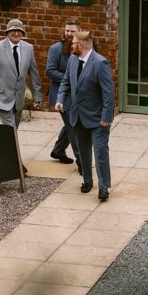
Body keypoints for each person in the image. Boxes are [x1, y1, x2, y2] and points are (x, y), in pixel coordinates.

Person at [55, 28, 114, 201]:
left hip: (98, 119)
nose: (70, 45)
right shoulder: (73, 60)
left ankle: (104, 187)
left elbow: (108, 93)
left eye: (73, 43)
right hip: (77, 116)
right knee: (83, 151)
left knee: (101, 152)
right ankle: (87, 181)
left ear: (80, 45)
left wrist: (106, 118)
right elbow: (66, 81)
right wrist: (60, 99)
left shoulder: (100, 63)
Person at [0, 17, 42, 129]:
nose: (16, 33)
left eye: (19, 31)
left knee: (13, 130)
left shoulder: (28, 48)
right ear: (7, 32)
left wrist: (37, 95)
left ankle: (3, 146)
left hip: (19, 99)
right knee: (11, 130)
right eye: (13, 31)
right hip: (2, 97)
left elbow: (34, 73)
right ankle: (9, 146)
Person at [45, 21, 79, 164]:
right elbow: (50, 71)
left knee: (70, 124)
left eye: (72, 31)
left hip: (78, 95)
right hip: (62, 96)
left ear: (79, 31)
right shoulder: (56, 49)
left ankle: (58, 150)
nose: (69, 34)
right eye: (67, 31)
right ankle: (81, 161)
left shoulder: (83, 47)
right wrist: (70, 78)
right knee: (74, 127)